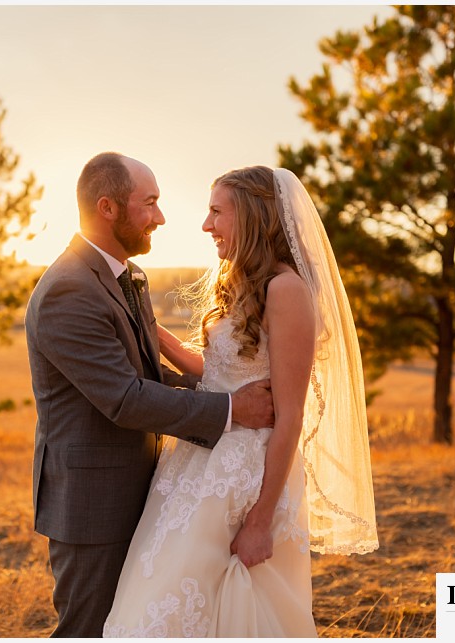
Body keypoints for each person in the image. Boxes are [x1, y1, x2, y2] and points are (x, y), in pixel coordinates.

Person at [103, 166, 379, 637]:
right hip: (195, 464)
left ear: (251, 216)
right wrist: (148, 330)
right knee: (164, 601)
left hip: (246, 476)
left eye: (216, 212)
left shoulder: (287, 290)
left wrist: (259, 519)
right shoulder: (239, 280)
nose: (206, 225)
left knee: (218, 604)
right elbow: (218, 373)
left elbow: (290, 415)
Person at [24, 152, 275, 638]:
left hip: (140, 488)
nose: (161, 217)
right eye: (150, 203)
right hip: (93, 504)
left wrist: (217, 388)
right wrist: (229, 408)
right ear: (108, 208)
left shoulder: (126, 276)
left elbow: (146, 374)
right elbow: (126, 398)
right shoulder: (68, 290)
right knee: (88, 629)